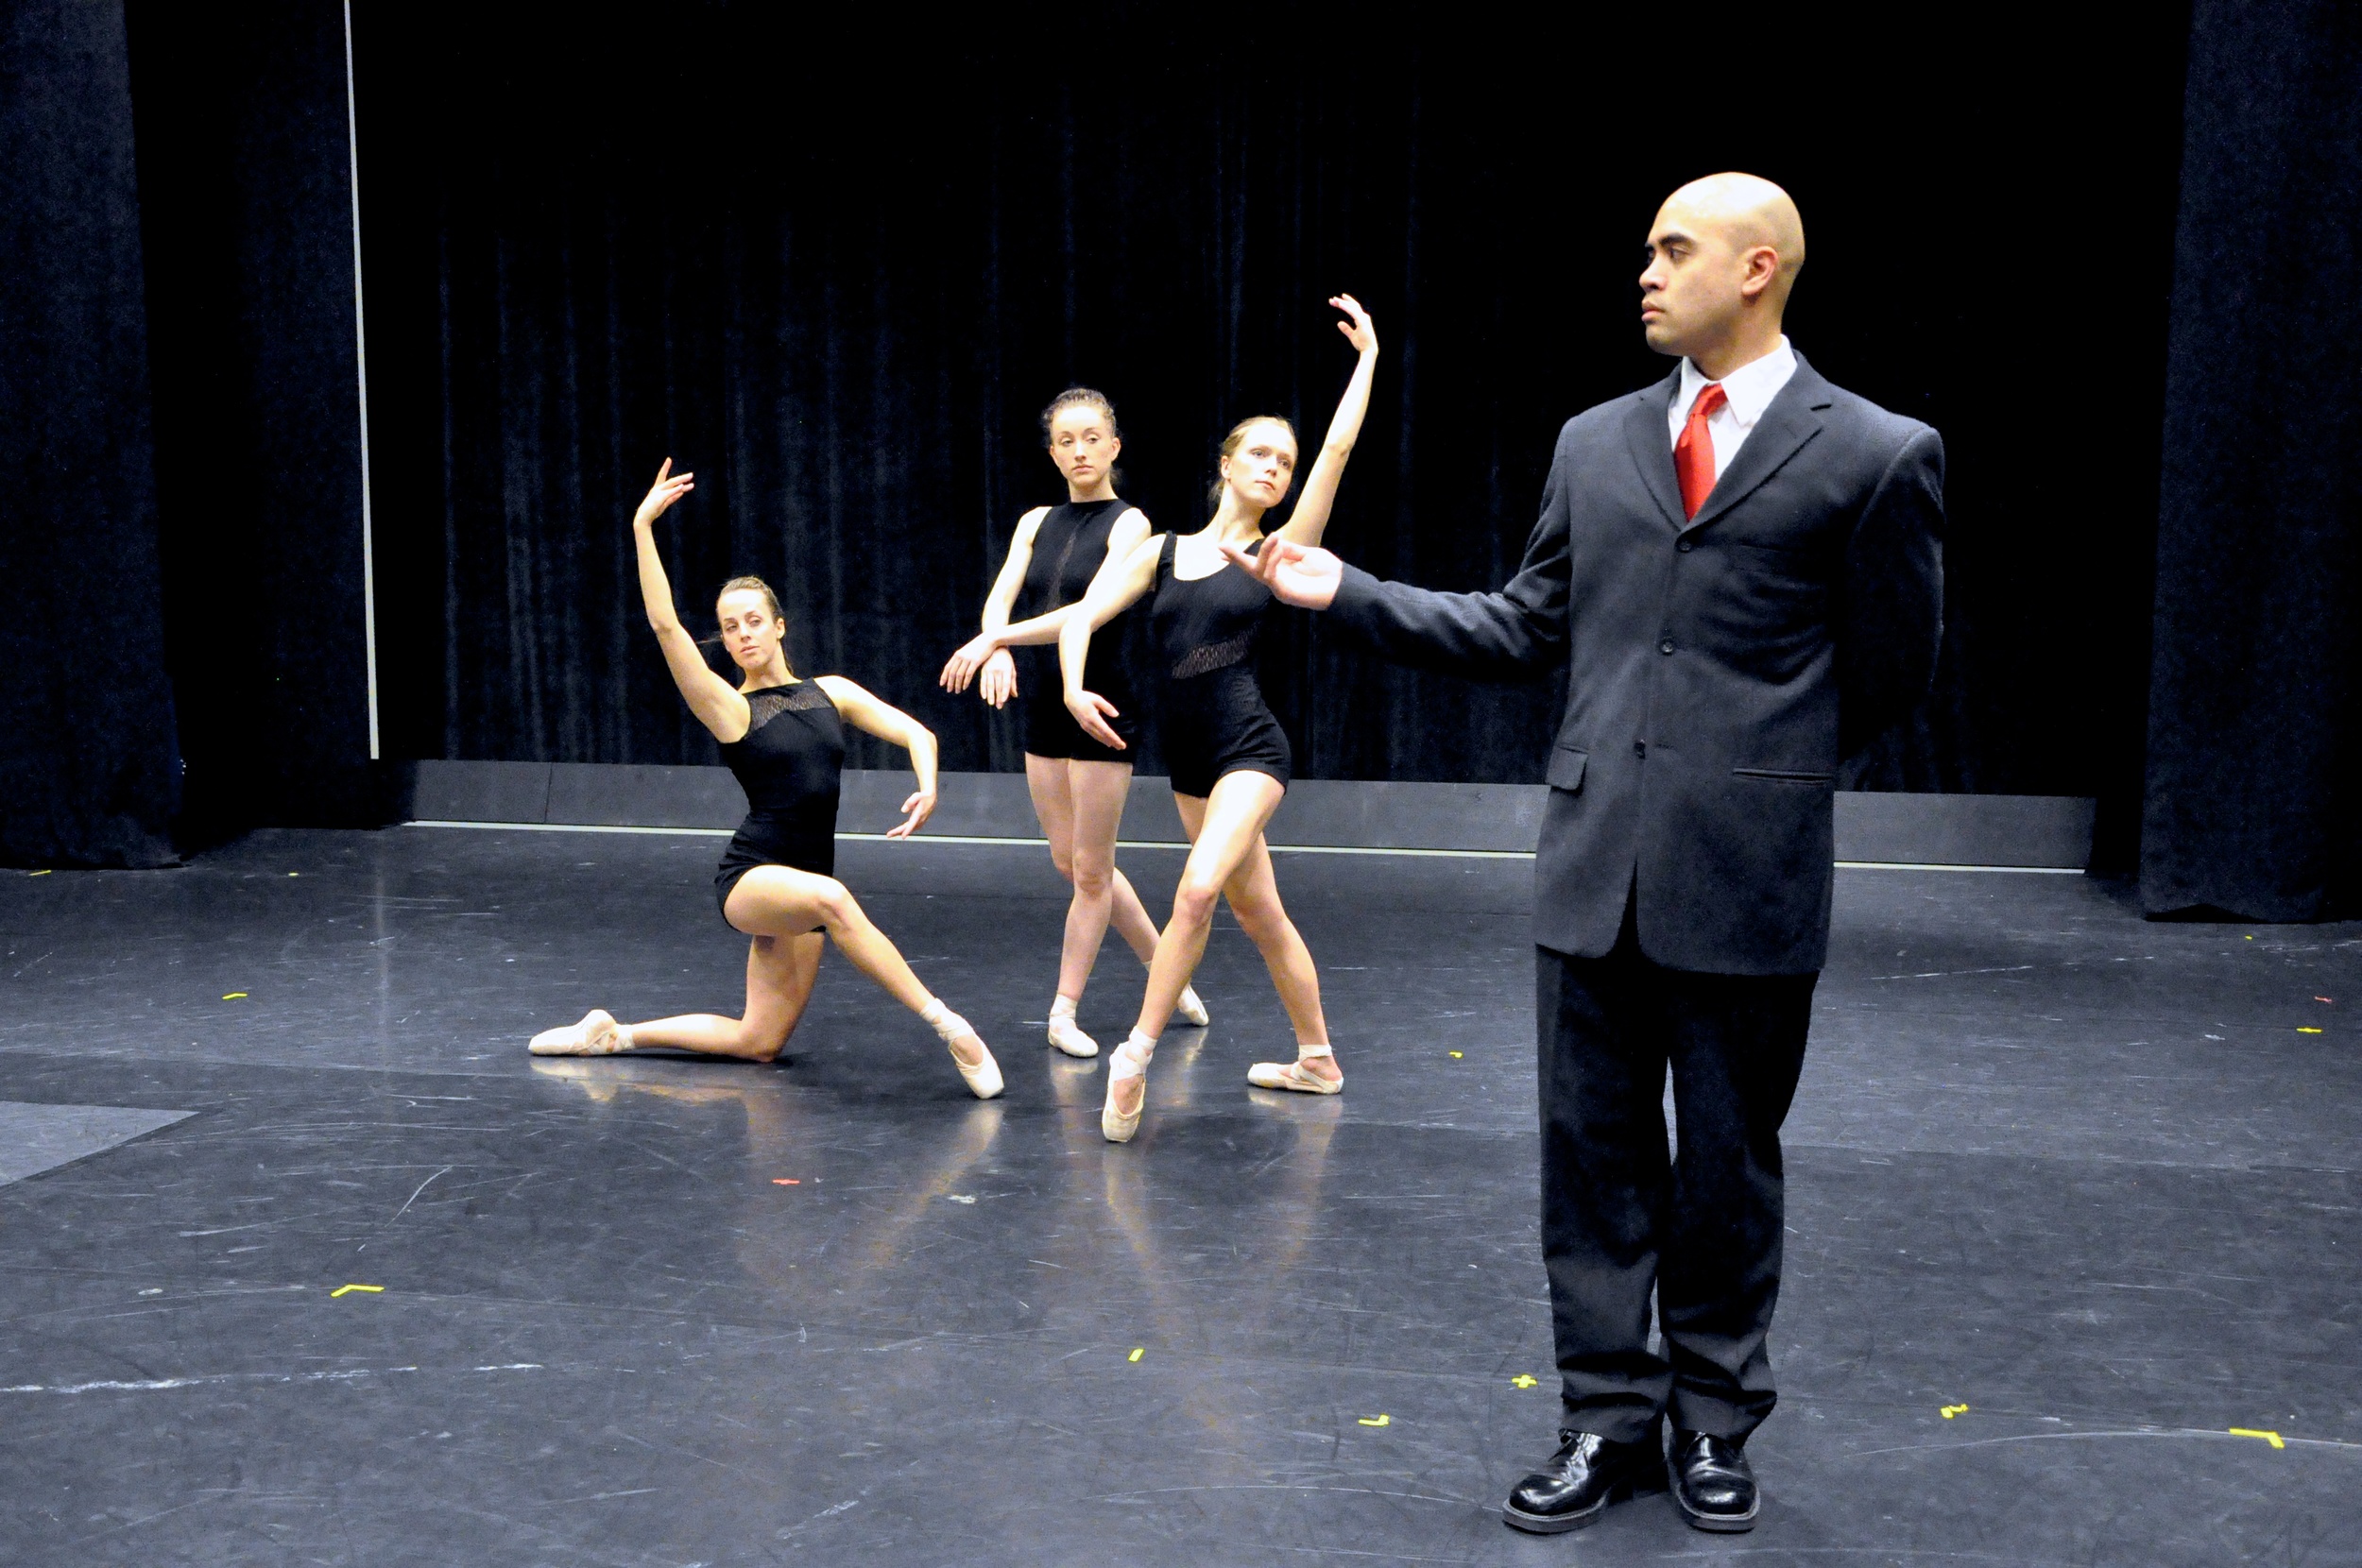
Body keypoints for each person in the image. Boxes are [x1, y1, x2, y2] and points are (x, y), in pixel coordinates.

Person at [1229, 176, 1943, 1533]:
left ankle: (1714, 1417)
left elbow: (1893, 676)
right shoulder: (1595, 441)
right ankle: (1606, 1413)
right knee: (1591, 1156)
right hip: (1588, 866)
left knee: (1731, 1161)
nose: (1648, 271)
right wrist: (1351, 593)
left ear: (1760, 267)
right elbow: (1521, 625)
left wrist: (1764, 785)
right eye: (1648, 249)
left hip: (1747, 873)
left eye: (1676, 250)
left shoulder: (1875, 451)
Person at [528, 460, 1004, 1100]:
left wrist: (929, 785)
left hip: (802, 885)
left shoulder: (830, 692)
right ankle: (951, 1029)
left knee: (759, 1043)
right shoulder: (731, 709)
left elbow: (920, 734)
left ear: (779, 625)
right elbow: (666, 626)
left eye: (753, 619)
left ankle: (614, 1034)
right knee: (835, 900)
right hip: (752, 877)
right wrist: (643, 528)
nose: (742, 633)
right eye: (729, 627)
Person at [1058, 294, 1379, 1144]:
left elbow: (1339, 451)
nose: (1277, 467)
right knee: (1258, 912)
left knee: (1196, 892)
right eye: (1263, 454)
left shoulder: (1279, 550)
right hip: (1191, 763)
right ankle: (1318, 1059)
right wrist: (1070, 686)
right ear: (1228, 463)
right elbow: (1083, 615)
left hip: (1251, 748)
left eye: (1287, 459)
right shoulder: (1159, 550)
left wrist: (1369, 360)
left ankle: (1133, 1057)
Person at [937, 389, 1210, 1060]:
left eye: (1093, 438)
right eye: (1067, 440)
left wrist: (994, 643)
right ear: (1053, 451)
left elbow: (1085, 613)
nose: (1080, 450)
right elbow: (1000, 599)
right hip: (1044, 706)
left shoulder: (1132, 525)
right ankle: (1167, 972)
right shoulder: (1035, 520)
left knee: (1091, 873)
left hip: (1099, 699)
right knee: (1074, 863)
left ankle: (1063, 1011)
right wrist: (994, 642)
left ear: (1114, 446)